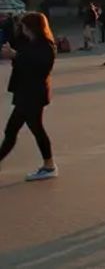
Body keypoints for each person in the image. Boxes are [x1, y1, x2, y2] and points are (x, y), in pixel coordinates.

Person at [0, 12, 58, 181]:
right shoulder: (28, 41)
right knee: (18, 130)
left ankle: (49, 166)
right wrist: (11, 22)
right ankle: (49, 165)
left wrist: (15, 56)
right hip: (25, 93)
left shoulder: (46, 45)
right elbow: (15, 41)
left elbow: (40, 66)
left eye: (24, 26)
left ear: (32, 28)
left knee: (23, 130)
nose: (22, 29)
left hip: (33, 95)